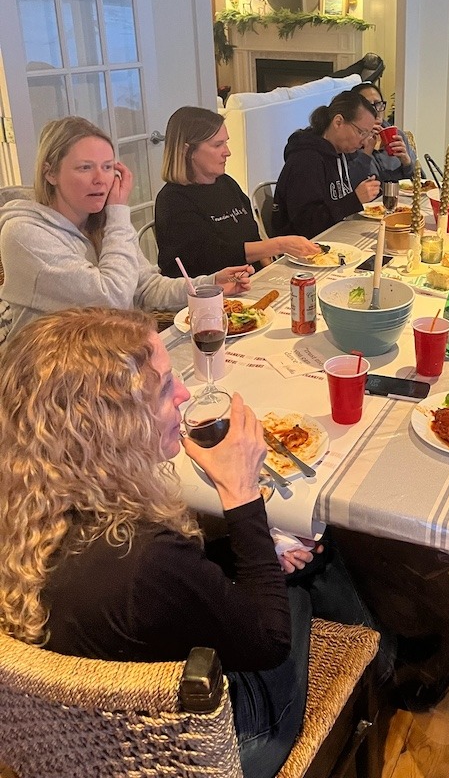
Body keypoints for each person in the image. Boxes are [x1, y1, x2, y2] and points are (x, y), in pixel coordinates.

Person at [0, 307, 385, 778]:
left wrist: (254, 548)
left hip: (75, 743)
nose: (184, 394)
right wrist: (242, 493)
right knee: (306, 576)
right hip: (207, 751)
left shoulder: (34, 508)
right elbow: (268, 643)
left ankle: (381, 660)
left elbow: (172, 588)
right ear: (108, 423)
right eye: (164, 388)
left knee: (278, 557)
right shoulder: (144, 558)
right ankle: (383, 672)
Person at [0, 117, 253, 340]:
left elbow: (145, 287)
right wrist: (119, 213)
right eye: (85, 167)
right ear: (50, 173)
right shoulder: (23, 233)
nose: (100, 179)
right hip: (47, 377)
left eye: (108, 166)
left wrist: (209, 285)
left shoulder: (102, 222)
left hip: (113, 356)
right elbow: (112, 299)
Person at [155, 107, 320, 278]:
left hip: (247, 281)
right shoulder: (173, 201)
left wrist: (272, 273)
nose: (227, 152)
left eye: (225, 143)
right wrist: (279, 245)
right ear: (186, 150)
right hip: (209, 294)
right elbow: (212, 257)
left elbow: (252, 237)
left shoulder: (226, 183)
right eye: (217, 145)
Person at [272, 90, 381, 240]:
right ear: (338, 122)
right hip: (303, 249)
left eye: (367, 135)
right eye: (361, 132)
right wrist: (354, 200)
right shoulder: (305, 160)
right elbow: (305, 224)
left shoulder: (339, 153)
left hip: (333, 236)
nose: (364, 142)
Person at [346, 82, 416, 188]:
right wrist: (366, 150)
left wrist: (407, 162)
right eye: (368, 106)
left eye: (378, 104)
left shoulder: (397, 135)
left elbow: (422, 183)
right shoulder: (350, 141)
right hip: (368, 204)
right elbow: (348, 186)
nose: (375, 110)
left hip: (402, 202)